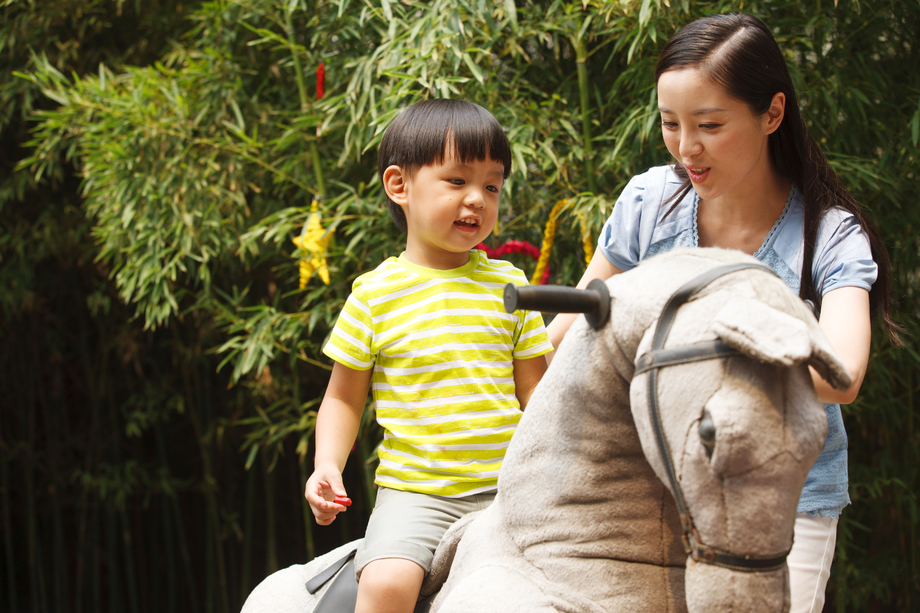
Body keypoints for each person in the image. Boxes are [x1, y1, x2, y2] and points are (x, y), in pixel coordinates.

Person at [545, 13, 899, 613]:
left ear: (772, 113)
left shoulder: (828, 236)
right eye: (670, 124)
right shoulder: (650, 203)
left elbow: (839, 375)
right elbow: (574, 333)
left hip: (777, 506)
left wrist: (678, 340)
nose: (687, 148)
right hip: (644, 494)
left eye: (709, 124)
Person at [304, 99, 552, 613]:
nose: (478, 200)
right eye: (457, 181)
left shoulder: (510, 286)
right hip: (419, 494)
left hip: (511, 489)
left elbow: (539, 394)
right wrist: (327, 464)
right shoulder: (374, 295)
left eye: (491, 186)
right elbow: (344, 400)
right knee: (387, 585)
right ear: (400, 186)